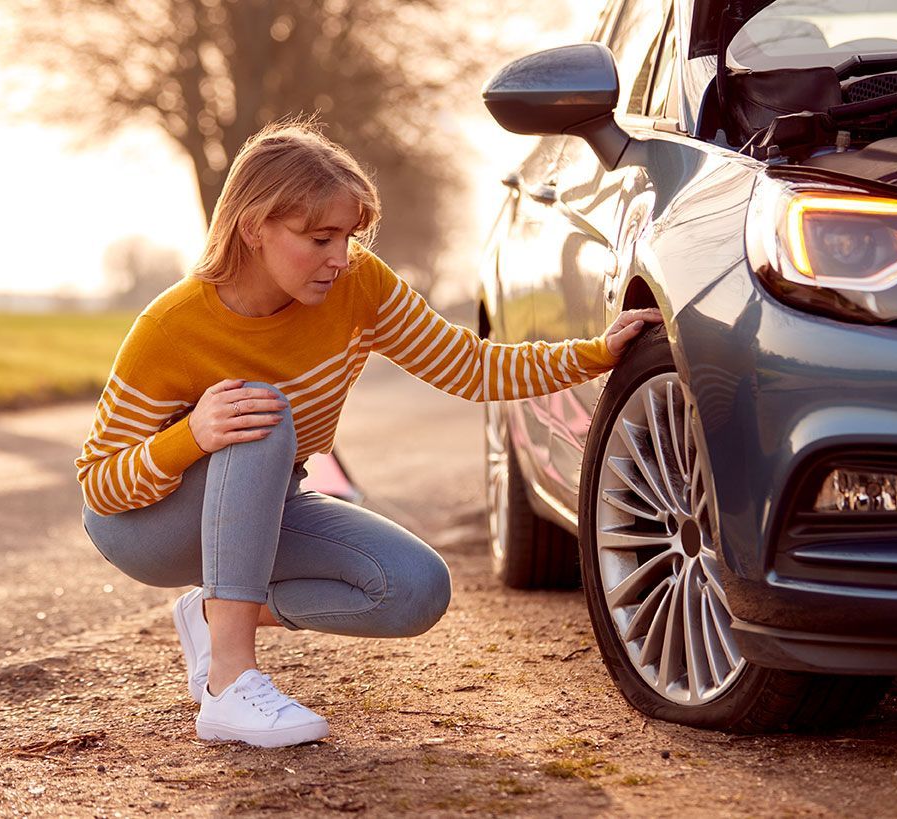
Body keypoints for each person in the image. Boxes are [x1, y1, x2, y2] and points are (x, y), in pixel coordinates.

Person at [77, 119, 663, 748]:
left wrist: (595, 354)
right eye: (319, 237)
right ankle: (228, 681)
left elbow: (467, 364)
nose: (339, 258)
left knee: (414, 590)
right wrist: (193, 435)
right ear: (254, 228)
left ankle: (214, 615)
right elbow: (99, 488)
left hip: (264, 505)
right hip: (148, 526)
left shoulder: (358, 285)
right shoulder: (171, 327)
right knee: (258, 411)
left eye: (348, 237)